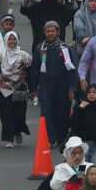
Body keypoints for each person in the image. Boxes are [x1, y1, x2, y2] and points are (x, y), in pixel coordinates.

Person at [30, 21, 78, 149]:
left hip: (62, 87)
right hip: (45, 87)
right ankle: (50, 139)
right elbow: (34, 69)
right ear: (44, 33)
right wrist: (33, 89)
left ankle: (61, 138)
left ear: (57, 32)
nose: (50, 33)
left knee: (62, 113)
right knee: (46, 113)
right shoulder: (40, 49)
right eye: (48, 31)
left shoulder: (65, 49)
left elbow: (72, 69)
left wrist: (72, 88)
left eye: (53, 31)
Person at [0, 30, 31, 148]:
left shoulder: (24, 56)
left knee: (19, 114)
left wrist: (33, 90)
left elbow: (30, 73)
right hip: (4, 88)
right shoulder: (1, 55)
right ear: (6, 41)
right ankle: (9, 138)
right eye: (10, 39)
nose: (12, 41)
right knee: (5, 114)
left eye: (14, 39)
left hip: (20, 88)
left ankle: (17, 131)